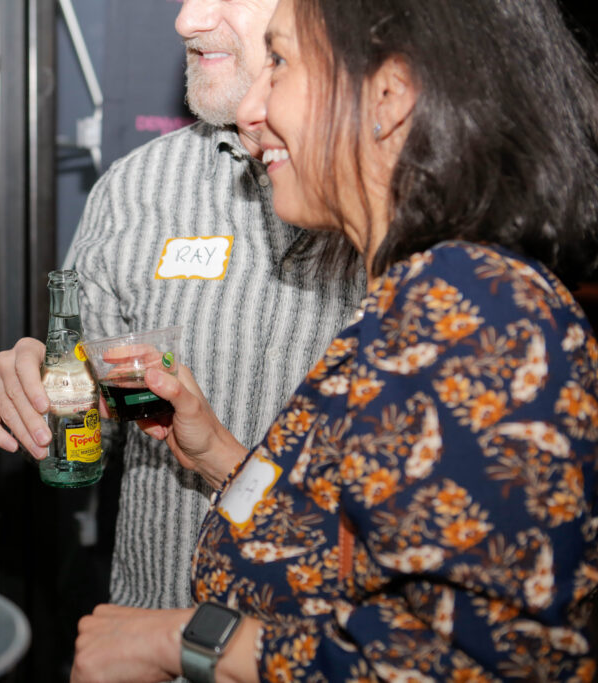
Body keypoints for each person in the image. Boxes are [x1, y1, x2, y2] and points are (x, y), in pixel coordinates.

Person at [71, 0, 598, 679]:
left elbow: (485, 665)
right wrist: (217, 456)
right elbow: (349, 549)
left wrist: (187, 640)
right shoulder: (421, 294)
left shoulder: (473, 304)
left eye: (281, 63)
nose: (253, 108)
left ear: (391, 96)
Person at [0, 0, 364, 611]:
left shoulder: (418, 218)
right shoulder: (134, 186)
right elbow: (94, 418)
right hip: (145, 635)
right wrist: (42, 392)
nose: (185, 22)